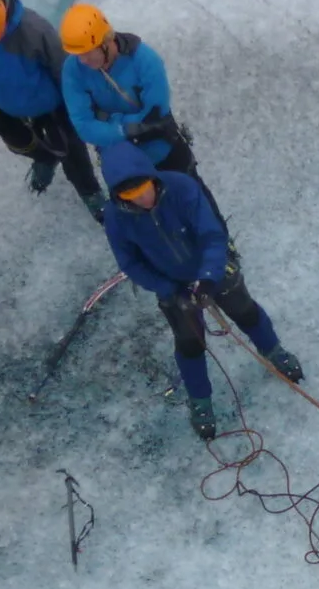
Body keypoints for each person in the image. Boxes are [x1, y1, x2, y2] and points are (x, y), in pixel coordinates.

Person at [97, 139, 301, 441]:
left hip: (213, 267)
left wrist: (208, 277)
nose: (142, 199)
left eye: (144, 189)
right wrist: (170, 290)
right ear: (118, 195)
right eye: (130, 195)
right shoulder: (115, 218)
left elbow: (211, 234)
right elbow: (131, 263)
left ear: (152, 177)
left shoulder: (181, 187)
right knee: (190, 343)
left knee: (245, 311)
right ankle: (201, 401)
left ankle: (275, 352)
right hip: (172, 284)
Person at [0, 0, 104, 217]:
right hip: (6, 107)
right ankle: (45, 158)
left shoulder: (34, 29)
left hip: (52, 105)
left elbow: (62, 69)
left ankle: (90, 193)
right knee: (20, 144)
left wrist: (72, 106)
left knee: (71, 151)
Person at [58, 2, 214, 195]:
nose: (82, 60)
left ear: (105, 42)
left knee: (194, 196)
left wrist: (107, 120)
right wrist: (128, 129)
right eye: (77, 54)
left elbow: (155, 115)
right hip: (122, 163)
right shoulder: (72, 70)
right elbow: (83, 125)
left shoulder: (146, 61)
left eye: (87, 52)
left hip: (159, 152)